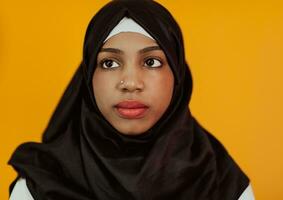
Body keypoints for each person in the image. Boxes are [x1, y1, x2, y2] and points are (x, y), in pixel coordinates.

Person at [8, 0, 255, 199]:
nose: (130, 83)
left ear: (178, 76)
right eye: (109, 63)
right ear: (87, 79)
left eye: (151, 62)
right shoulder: (39, 185)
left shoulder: (222, 183)